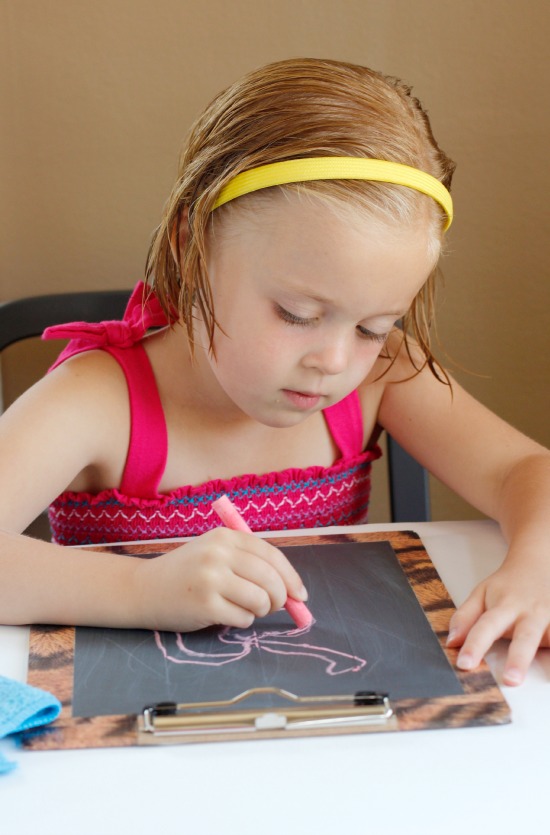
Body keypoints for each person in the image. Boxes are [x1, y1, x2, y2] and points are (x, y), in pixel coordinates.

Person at [1, 58, 549, 687]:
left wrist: (536, 566)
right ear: (192, 246)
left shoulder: (385, 374)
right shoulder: (100, 400)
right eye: (296, 313)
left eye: (373, 327)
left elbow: (525, 471)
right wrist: (138, 588)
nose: (335, 361)